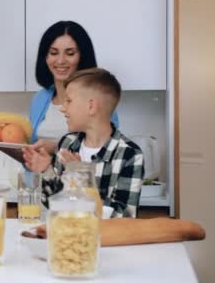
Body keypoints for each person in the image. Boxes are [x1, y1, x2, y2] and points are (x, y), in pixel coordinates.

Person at [23, 68, 144, 218]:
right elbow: (54, 205)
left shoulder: (129, 154)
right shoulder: (67, 143)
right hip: (70, 236)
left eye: (68, 101)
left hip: (104, 241)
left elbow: (125, 218)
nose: (62, 108)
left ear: (91, 106)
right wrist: (46, 170)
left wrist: (84, 183)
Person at [29, 21, 119, 155]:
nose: (60, 61)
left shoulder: (98, 97)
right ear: (45, 57)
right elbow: (30, 160)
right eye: (53, 53)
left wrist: (57, 148)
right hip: (42, 176)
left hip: (80, 176)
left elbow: (108, 153)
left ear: (82, 56)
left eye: (70, 53)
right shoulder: (40, 99)